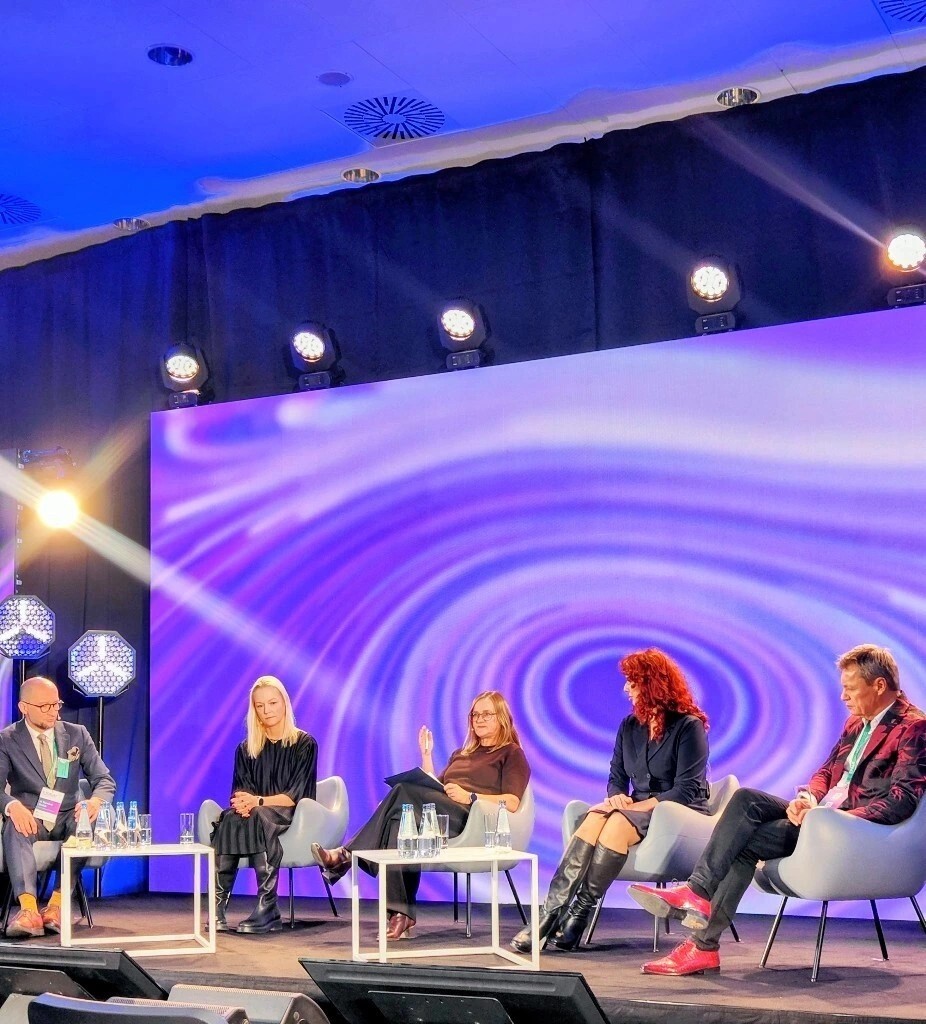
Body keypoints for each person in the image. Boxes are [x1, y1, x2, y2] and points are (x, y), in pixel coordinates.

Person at [630, 644, 926, 976]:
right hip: (819, 820)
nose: (843, 696)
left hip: (848, 831)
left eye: (850, 688)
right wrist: (809, 799)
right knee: (746, 802)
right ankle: (698, 911)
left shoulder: (913, 727)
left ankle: (700, 930)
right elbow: (827, 771)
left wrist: (834, 819)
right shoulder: (855, 724)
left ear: (879, 685)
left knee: (743, 841)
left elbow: (903, 800)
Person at [511, 648, 710, 953]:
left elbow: (685, 789)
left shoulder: (688, 726)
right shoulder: (630, 726)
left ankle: (577, 915)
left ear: (651, 684)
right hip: (637, 810)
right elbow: (616, 775)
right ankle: (551, 915)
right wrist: (616, 797)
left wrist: (631, 807)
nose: (626, 688)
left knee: (616, 821)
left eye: (632, 682)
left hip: (678, 814)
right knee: (594, 817)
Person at [312, 690, 531, 940]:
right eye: (475, 714)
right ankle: (400, 914)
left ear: (501, 717)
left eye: (486, 714)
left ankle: (345, 855)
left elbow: (512, 802)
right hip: (440, 819)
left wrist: (470, 796)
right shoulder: (461, 754)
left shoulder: (511, 753)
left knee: (402, 791)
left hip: (473, 822)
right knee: (398, 822)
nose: (479, 719)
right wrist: (427, 756)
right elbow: (434, 789)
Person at [0, 675, 116, 938]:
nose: (53, 711)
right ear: (23, 707)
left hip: (67, 814)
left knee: (85, 821)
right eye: (45, 706)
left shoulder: (77, 734)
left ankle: (56, 906)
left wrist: (94, 801)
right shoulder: (7, 739)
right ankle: (29, 910)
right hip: (32, 816)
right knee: (14, 826)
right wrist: (11, 805)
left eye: (56, 704)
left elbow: (104, 780)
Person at [212, 676, 317, 934]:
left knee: (259, 815)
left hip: (291, 815)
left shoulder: (305, 744)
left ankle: (268, 905)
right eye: (260, 706)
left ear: (285, 703)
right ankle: (217, 907)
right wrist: (244, 804)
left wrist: (257, 802)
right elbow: (241, 791)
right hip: (256, 813)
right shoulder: (246, 749)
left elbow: (295, 795)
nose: (267, 710)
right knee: (228, 818)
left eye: (272, 703)